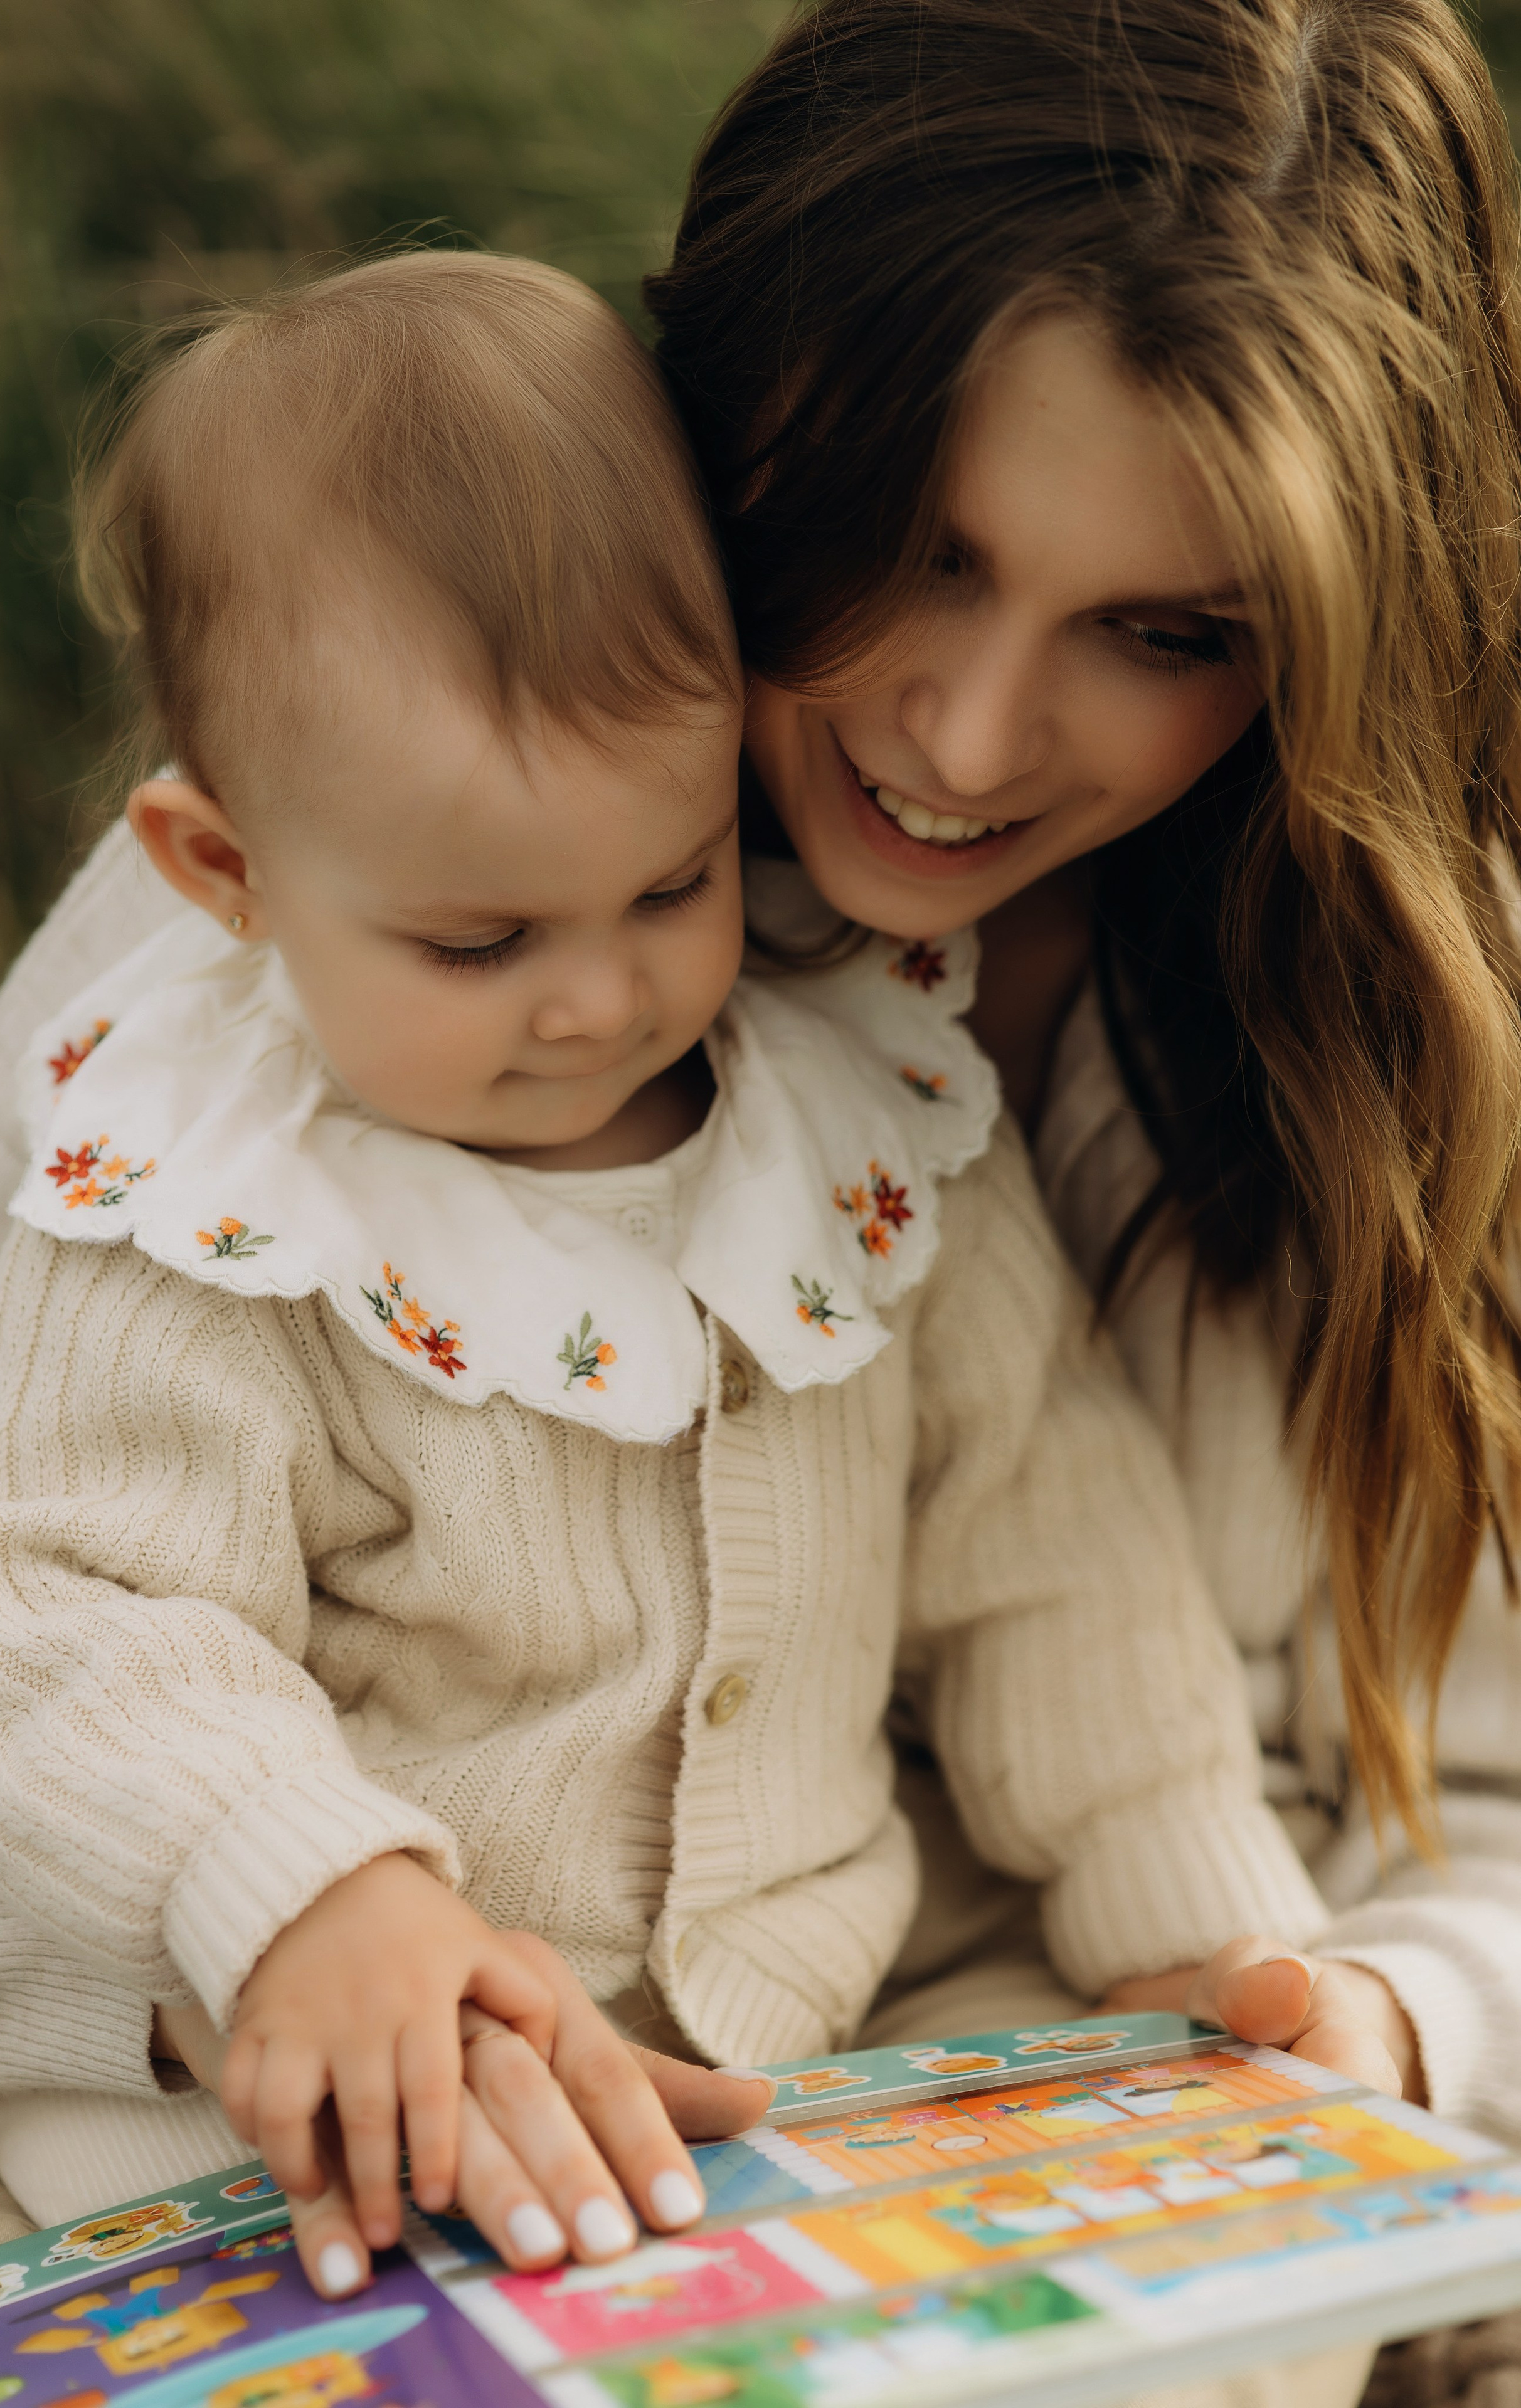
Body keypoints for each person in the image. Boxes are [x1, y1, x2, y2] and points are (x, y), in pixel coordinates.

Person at [0, 246, 1328, 2315]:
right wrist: (300, 1894)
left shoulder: (857, 1124)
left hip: (783, 2062)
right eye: (481, 944)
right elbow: (36, 1603)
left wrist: (1178, 1910)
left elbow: (1061, 1547)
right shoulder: (199, 1204)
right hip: (303, 2120)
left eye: (670, 886)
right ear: (221, 869)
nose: (598, 1001)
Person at [644, 0, 1521, 2155]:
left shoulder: (1434, 1009)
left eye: (1167, 634)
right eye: (921, 547)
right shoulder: (366, 869)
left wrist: (1390, 2016)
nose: (962, 743)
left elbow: (1492, 1792)